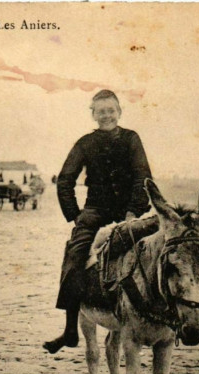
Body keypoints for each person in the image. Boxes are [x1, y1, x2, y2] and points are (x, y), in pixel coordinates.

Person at [43, 89, 153, 354]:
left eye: (111, 110)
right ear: (93, 114)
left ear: (119, 112)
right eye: (100, 111)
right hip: (95, 211)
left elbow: (143, 176)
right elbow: (65, 180)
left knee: (166, 247)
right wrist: (76, 214)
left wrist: (133, 212)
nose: (106, 116)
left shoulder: (131, 139)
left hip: (129, 211)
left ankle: (182, 318)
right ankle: (70, 329)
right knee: (75, 253)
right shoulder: (85, 143)